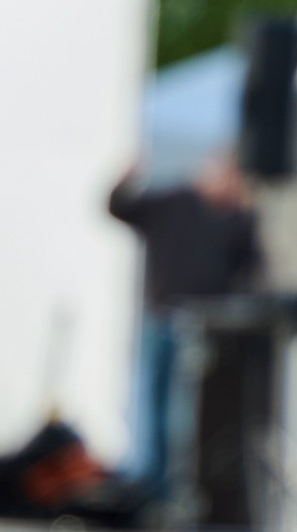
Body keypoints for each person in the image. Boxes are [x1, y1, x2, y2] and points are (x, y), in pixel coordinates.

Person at [109, 149, 264, 511]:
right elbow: (120, 209)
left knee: (186, 414)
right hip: (162, 319)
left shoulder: (238, 219)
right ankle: (157, 488)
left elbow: (257, 273)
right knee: (158, 408)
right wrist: (126, 179)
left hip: (206, 328)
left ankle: (184, 491)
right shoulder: (173, 204)